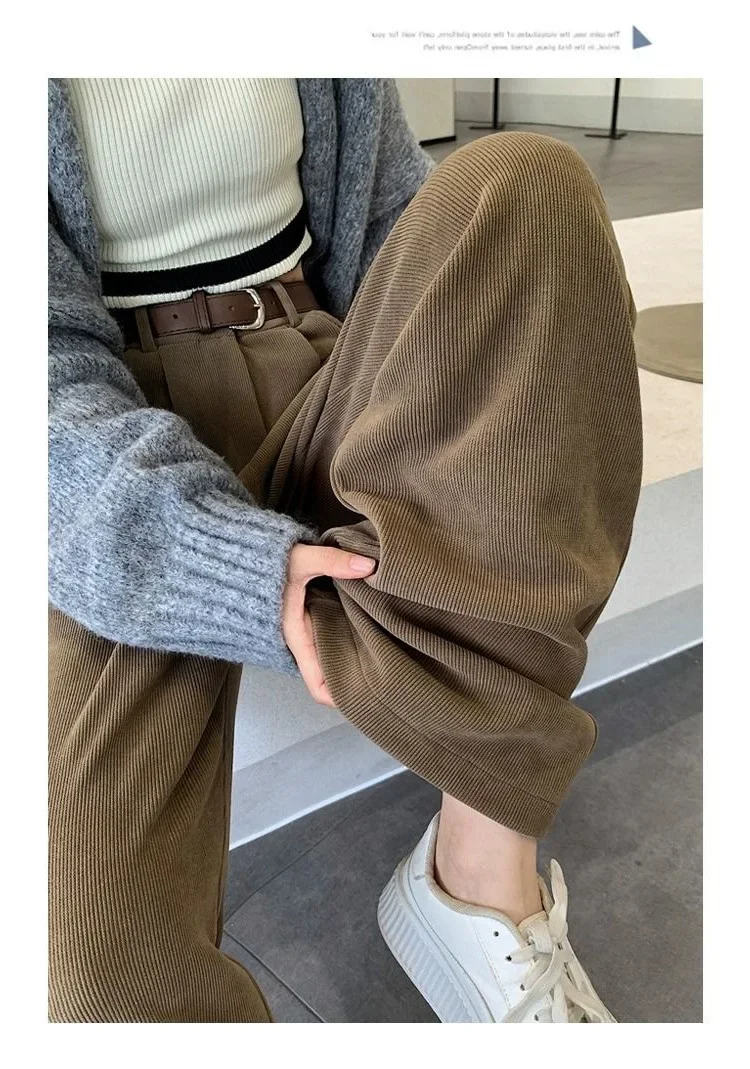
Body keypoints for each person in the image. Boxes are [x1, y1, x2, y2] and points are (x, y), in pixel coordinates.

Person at [48, 77, 642, 1024]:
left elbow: (391, 225)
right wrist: (212, 560)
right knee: (98, 980)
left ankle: (480, 876)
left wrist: (452, 395)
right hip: (105, 448)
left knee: (526, 184)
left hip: (322, 373)